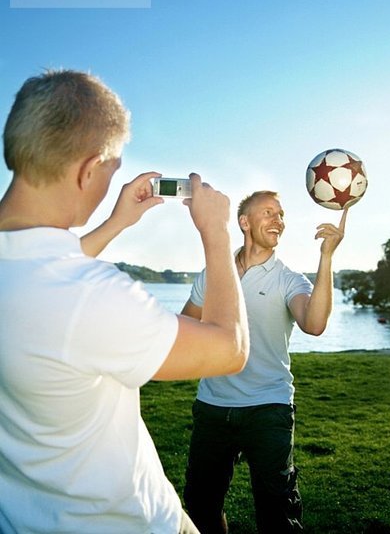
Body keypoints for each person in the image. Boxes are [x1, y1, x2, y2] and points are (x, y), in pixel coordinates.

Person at [0, 69, 249, 534]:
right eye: (111, 169)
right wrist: (217, 233)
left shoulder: (33, 275)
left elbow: (42, 265)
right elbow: (228, 349)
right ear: (89, 169)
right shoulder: (90, 296)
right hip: (129, 521)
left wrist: (116, 223)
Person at [182, 190, 347, 533]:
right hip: (212, 406)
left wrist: (326, 258)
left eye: (281, 214)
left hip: (268, 408)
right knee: (200, 507)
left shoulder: (288, 279)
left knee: (277, 514)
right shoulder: (215, 271)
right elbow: (186, 324)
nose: (279, 220)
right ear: (244, 222)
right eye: (269, 212)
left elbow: (314, 324)